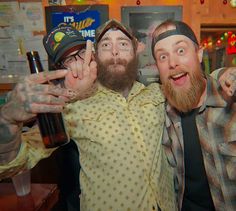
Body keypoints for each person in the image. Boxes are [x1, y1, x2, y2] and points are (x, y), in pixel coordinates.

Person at [0, 20, 176, 211]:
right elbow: (16, 163)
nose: (115, 51)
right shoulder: (75, 107)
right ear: (96, 56)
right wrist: (7, 120)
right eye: (106, 45)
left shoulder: (159, 95)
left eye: (123, 44)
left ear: (136, 51)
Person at [151, 20, 236, 211]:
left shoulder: (230, 97)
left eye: (180, 51)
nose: (173, 63)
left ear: (199, 54)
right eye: (163, 56)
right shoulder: (158, 111)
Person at [43, 24, 87, 211]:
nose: (78, 62)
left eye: (82, 52)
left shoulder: (106, 85)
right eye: (69, 58)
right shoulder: (53, 101)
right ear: (57, 67)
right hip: (76, 197)